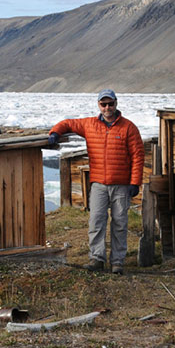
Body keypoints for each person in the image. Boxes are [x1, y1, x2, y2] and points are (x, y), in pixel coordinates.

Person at [49, 89, 145, 274]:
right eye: (103, 104)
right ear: (99, 105)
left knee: (120, 223)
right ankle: (97, 258)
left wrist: (135, 182)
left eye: (110, 104)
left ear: (116, 104)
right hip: (99, 184)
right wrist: (55, 133)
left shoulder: (128, 127)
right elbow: (67, 123)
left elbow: (138, 156)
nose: (107, 107)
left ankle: (117, 262)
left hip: (121, 185)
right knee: (96, 222)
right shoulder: (89, 125)